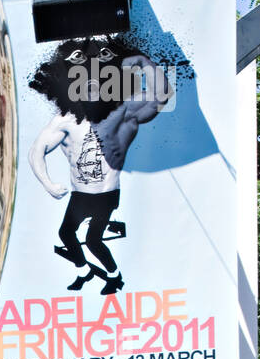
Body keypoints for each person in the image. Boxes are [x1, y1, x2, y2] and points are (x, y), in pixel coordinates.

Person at [28, 39, 174, 294]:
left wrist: (141, 61)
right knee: (66, 234)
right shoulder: (66, 120)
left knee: (93, 240)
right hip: (80, 194)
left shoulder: (123, 112)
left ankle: (114, 276)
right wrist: (47, 183)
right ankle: (84, 271)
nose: (91, 89)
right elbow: (36, 151)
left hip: (106, 195)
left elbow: (161, 95)